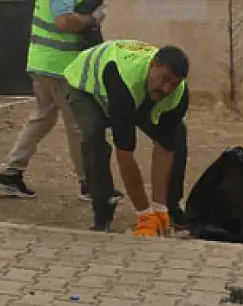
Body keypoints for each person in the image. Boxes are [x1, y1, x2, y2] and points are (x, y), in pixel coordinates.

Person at [0, 0, 113, 201]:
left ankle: (9, 174)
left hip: (45, 63)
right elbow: (64, 21)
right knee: (79, 126)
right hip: (60, 67)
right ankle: (90, 184)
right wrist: (93, 20)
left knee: (42, 119)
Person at [65, 40, 190, 237]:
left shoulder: (178, 94)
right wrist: (144, 214)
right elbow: (125, 156)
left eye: (173, 84)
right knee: (93, 134)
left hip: (139, 93)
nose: (167, 89)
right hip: (87, 88)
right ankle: (103, 208)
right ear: (153, 65)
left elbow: (164, 148)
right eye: (165, 79)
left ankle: (170, 208)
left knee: (176, 135)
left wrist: (159, 206)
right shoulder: (123, 83)